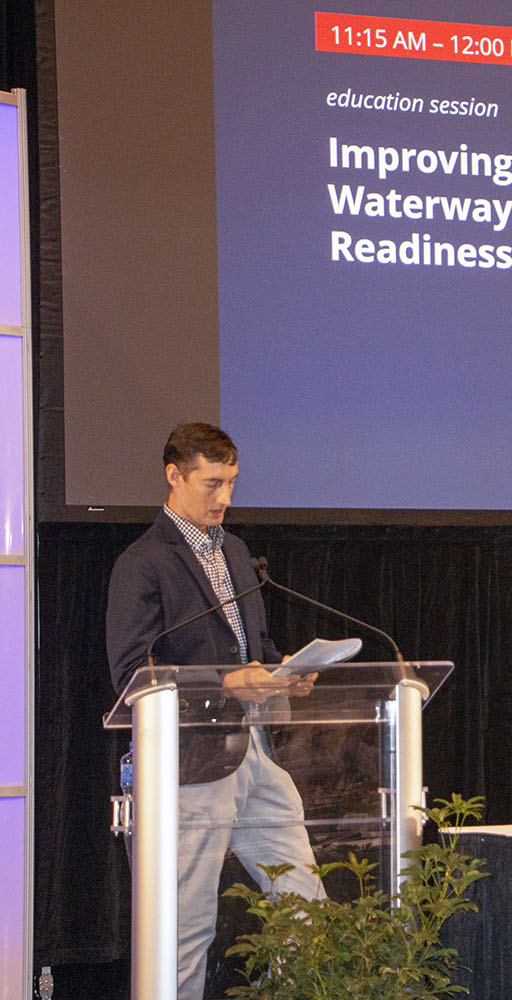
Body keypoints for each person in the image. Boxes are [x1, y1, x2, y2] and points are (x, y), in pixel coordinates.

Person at [106, 422, 325, 1000]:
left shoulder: (235, 550)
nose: (225, 498)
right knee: (186, 926)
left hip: (255, 753)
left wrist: (283, 673)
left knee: (305, 902)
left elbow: (250, 645)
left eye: (231, 482)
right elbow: (133, 673)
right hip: (192, 765)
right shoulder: (143, 563)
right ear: (174, 476)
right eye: (212, 483)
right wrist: (229, 681)